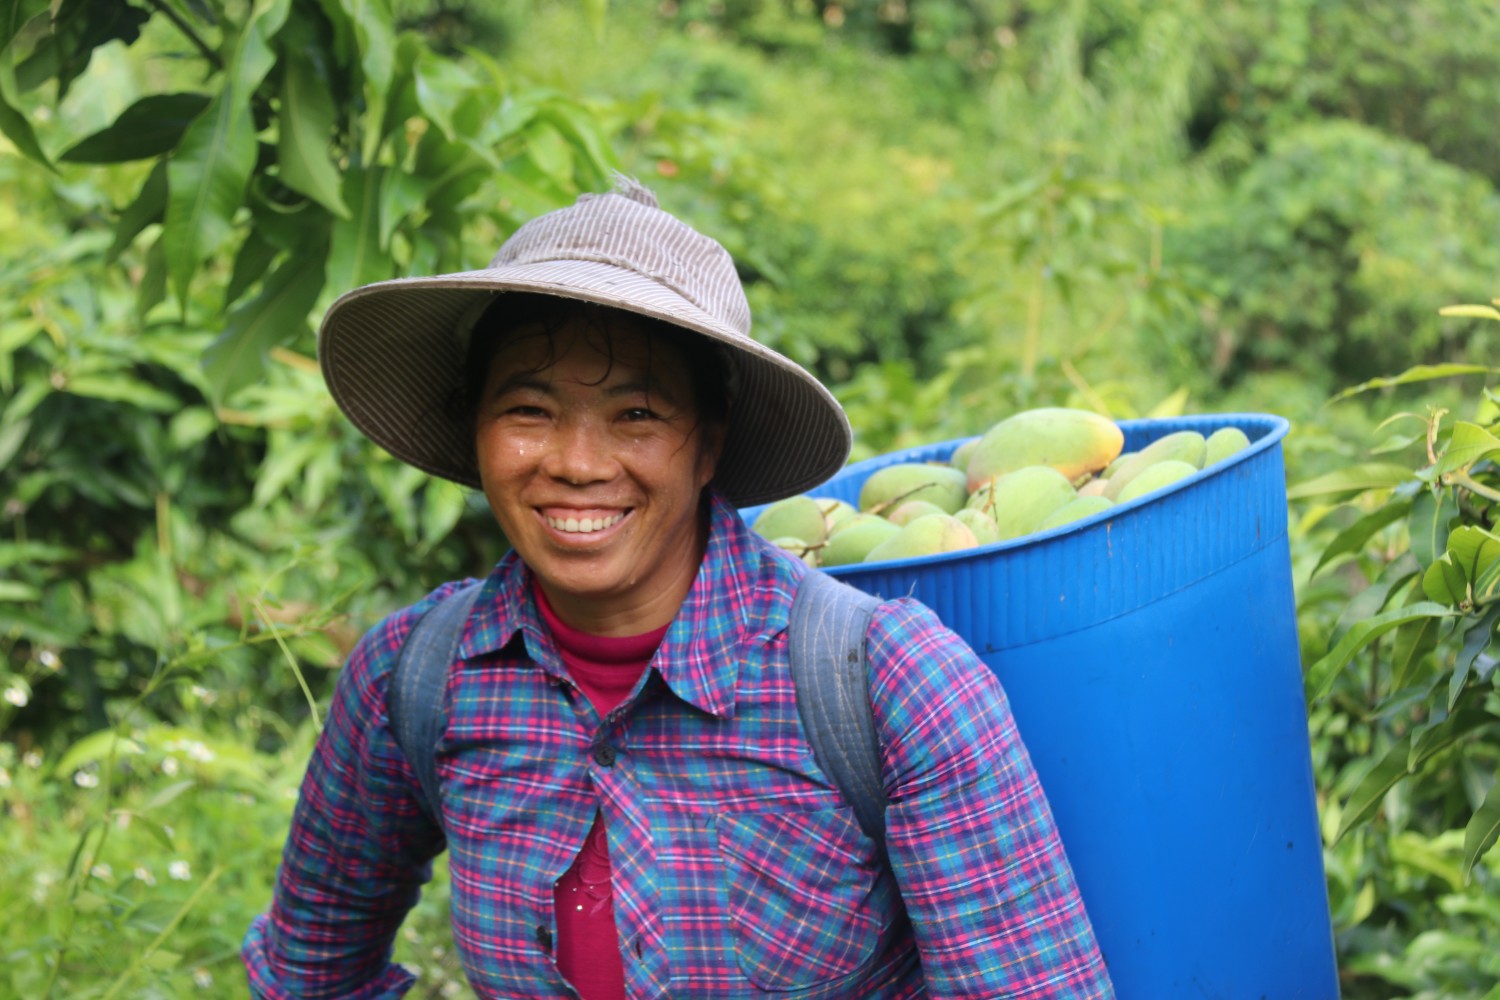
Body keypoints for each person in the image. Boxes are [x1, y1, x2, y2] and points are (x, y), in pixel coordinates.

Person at [243, 176, 1114, 998]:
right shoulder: (417, 675)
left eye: (638, 414)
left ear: (708, 444)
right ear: (476, 429)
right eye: (529, 410)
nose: (577, 463)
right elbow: (308, 969)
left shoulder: (890, 686)